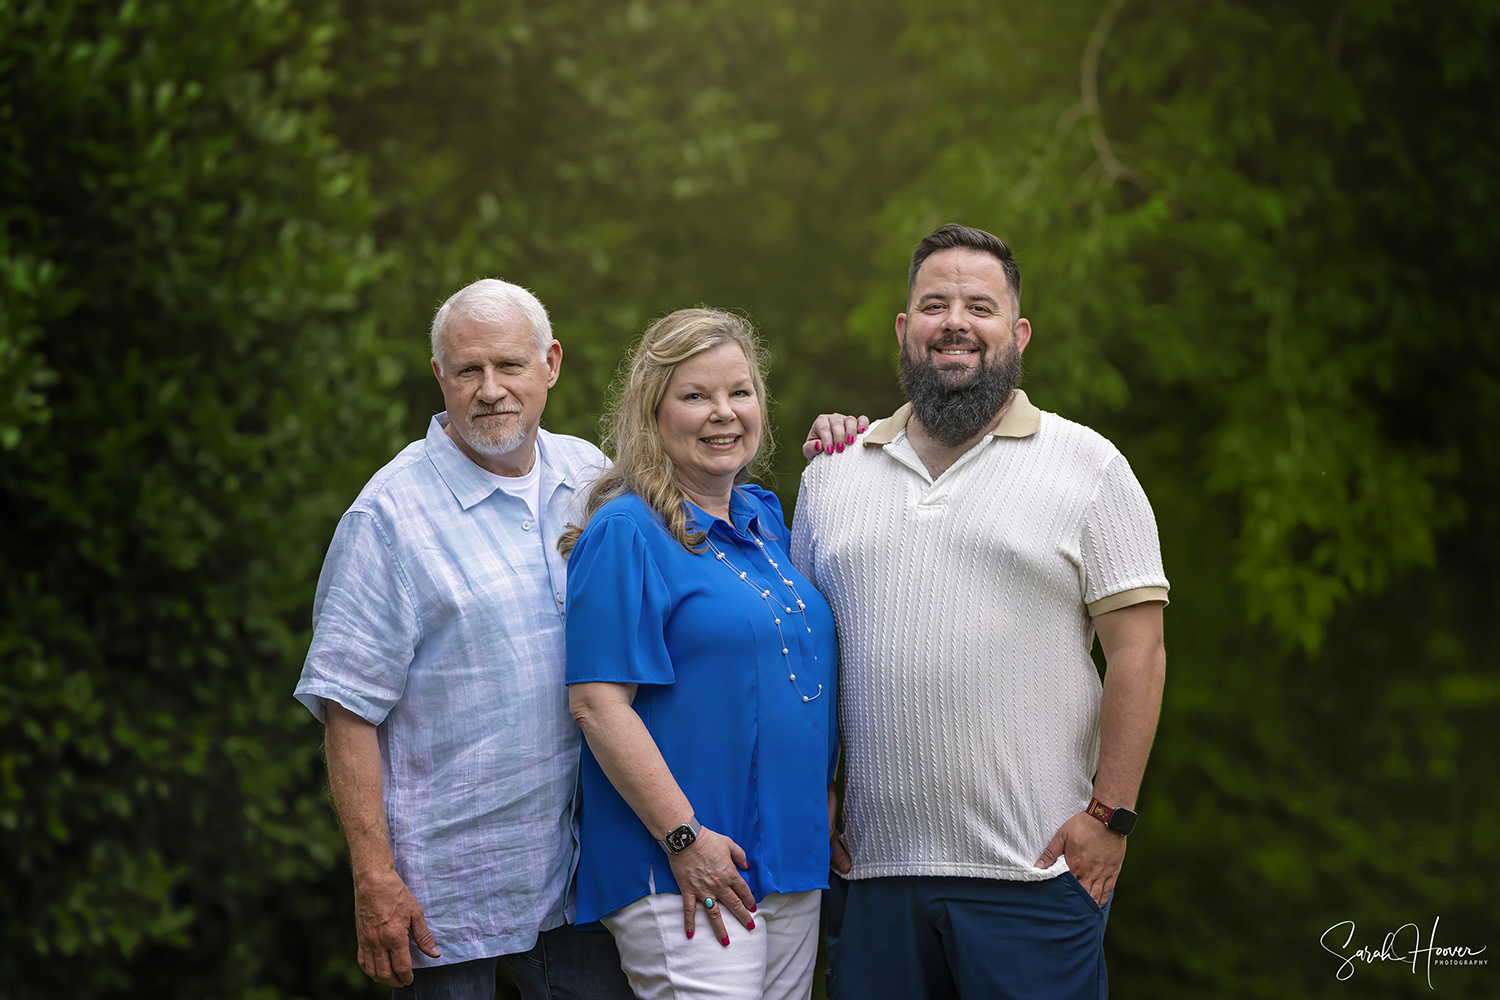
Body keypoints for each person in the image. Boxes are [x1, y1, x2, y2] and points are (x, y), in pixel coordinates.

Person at [794, 223, 1170, 1000]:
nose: (955, 321)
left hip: (1032, 876)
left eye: (980, 306)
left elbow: (1140, 653)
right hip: (873, 876)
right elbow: (807, 656)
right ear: (905, 330)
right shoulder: (833, 476)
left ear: (1017, 332)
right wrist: (817, 794)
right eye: (934, 304)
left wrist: (1113, 817)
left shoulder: (1088, 466)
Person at [293, 279, 635, 999]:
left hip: (587, 884)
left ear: (551, 364)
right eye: (468, 369)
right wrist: (373, 876)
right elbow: (348, 710)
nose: (490, 390)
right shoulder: (388, 516)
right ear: (439, 376)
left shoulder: (594, 478)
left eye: (509, 366)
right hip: (448, 901)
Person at [562, 308, 839, 1000]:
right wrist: (684, 839)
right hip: (682, 868)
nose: (723, 414)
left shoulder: (765, 520)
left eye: (739, 392)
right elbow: (597, 704)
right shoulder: (627, 529)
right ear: (653, 411)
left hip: (788, 860)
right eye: (695, 396)